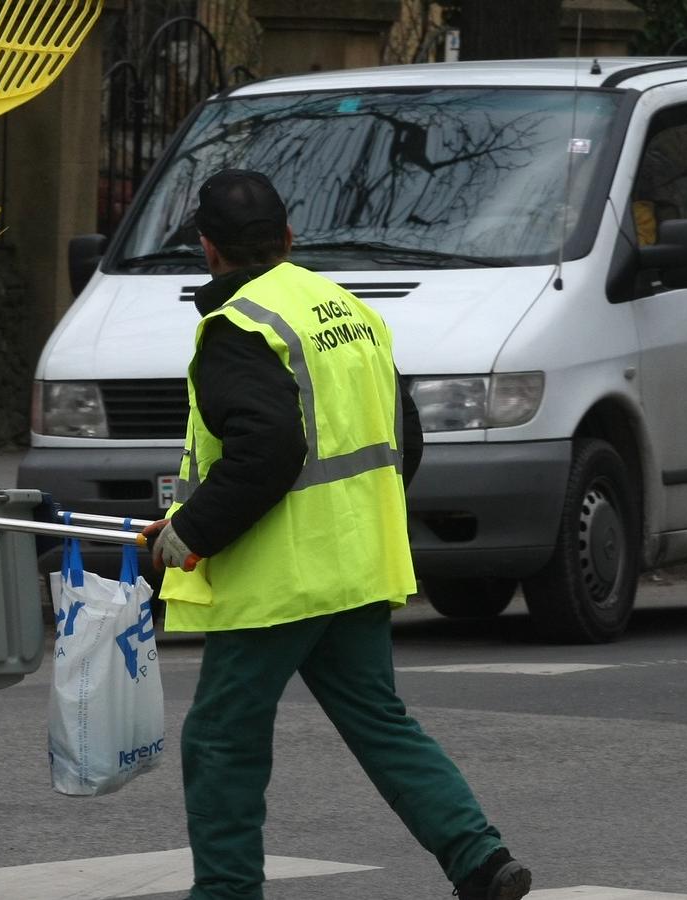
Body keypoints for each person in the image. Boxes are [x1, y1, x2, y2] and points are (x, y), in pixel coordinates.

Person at [142, 169, 532, 900]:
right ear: (288, 239)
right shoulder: (347, 309)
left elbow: (267, 452)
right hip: (356, 565)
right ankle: (478, 857)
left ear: (208, 250)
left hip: (279, 579)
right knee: (380, 722)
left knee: (222, 739)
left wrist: (192, 530)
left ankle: (225, 893)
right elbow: (400, 440)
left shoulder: (237, 327)